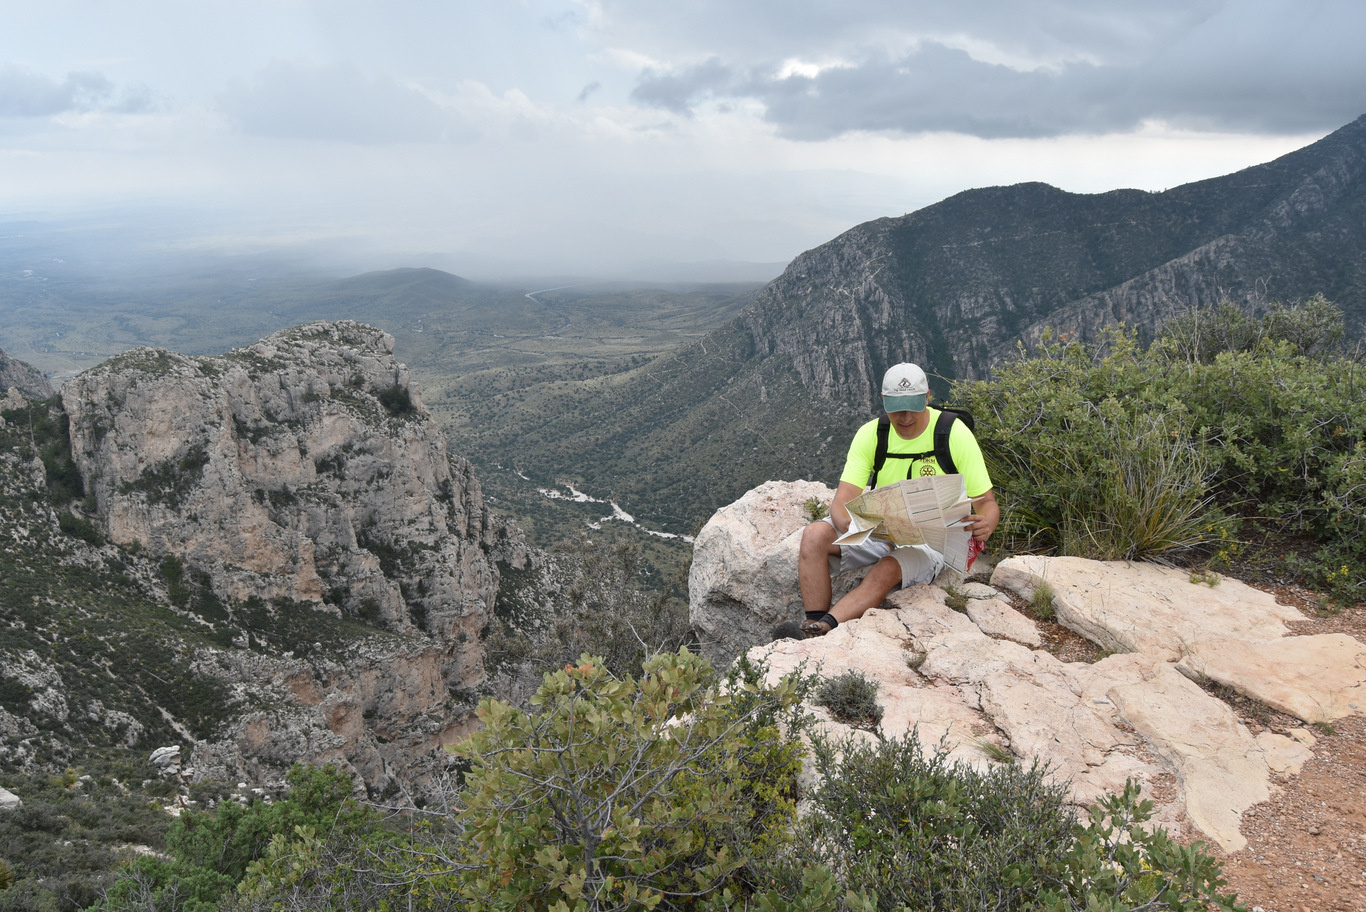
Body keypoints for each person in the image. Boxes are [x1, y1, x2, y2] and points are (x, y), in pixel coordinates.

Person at [780, 363, 999, 640]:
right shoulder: (873, 434)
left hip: (934, 540)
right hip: (881, 530)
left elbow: (986, 503)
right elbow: (842, 501)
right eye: (896, 408)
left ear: (928, 398)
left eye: (913, 407)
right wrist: (851, 527)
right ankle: (812, 621)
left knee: (888, 567)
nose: (905, 417)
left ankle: (823, 630)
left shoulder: (952, 433)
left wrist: (986, 524)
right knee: (814, 535)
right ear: (884, 401)